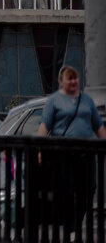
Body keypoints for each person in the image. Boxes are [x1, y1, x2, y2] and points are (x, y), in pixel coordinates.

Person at [37, 65, 105, 238]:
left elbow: (98, 125)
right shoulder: (54, 101)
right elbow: (45, 125)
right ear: (62, 81)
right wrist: (39, 148)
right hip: (64, 153)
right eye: (70, 78)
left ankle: (76, 223)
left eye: (75, 78)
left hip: (86, 152)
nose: (74, 81)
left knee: (88, 190)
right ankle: (71, 229)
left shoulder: (87, 100)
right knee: (67, 191)